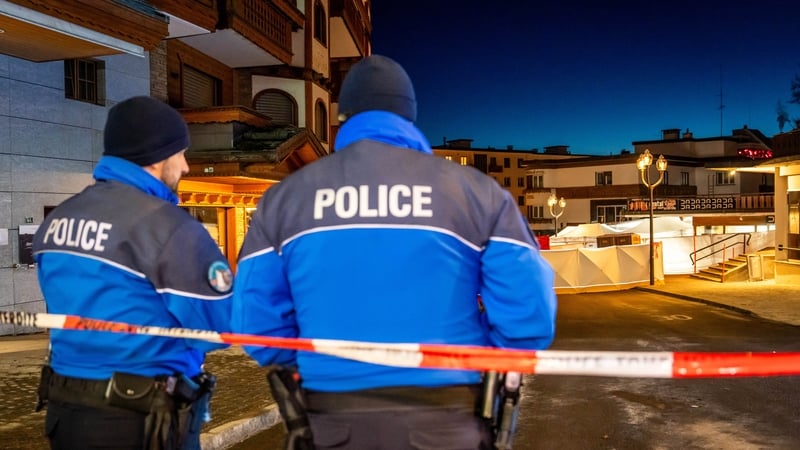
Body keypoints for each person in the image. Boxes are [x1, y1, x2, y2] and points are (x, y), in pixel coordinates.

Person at [232, 55, 557, 449]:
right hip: (447, 415)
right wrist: (487, 351)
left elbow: (254, 318)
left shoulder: (285, 199)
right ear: (409, 116)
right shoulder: (474, 192)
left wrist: (304, 361)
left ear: (343, 117)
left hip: (331, 417)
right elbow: (530, 310)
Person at [32, 96, 234, 450]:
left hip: (67, 411)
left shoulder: (57, 220)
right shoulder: (168, 228)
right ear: (158, 156)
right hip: (140, 419)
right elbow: (223, 324)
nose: (186, 167)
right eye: (180, 153)